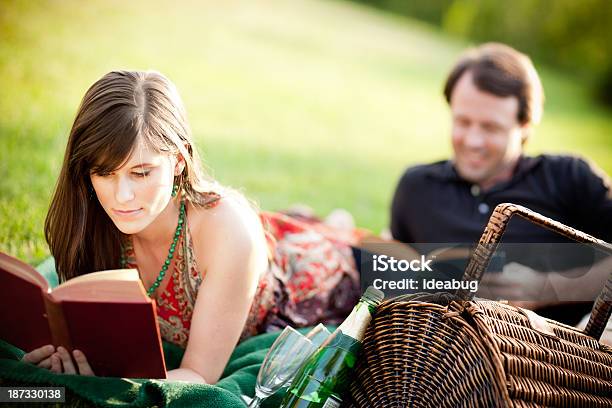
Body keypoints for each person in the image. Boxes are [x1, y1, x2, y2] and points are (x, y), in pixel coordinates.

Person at [20, 70, 361, 383]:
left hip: (303, 280)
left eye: (141, 173)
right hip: (252, 238)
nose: (122, 196)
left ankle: (335, 224)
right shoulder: (93, 211)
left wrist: (107, 382)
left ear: (179, 161)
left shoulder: (226, 232)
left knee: (341, 246)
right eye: (104, 173)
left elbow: (199, 374)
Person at [390, 43, 612, 324]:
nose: (473, 141)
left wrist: (547, 287)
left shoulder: (570, 178)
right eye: (463, 122)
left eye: (490, 127)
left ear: (525, 127)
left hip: (547, 360)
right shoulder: (416, 187)